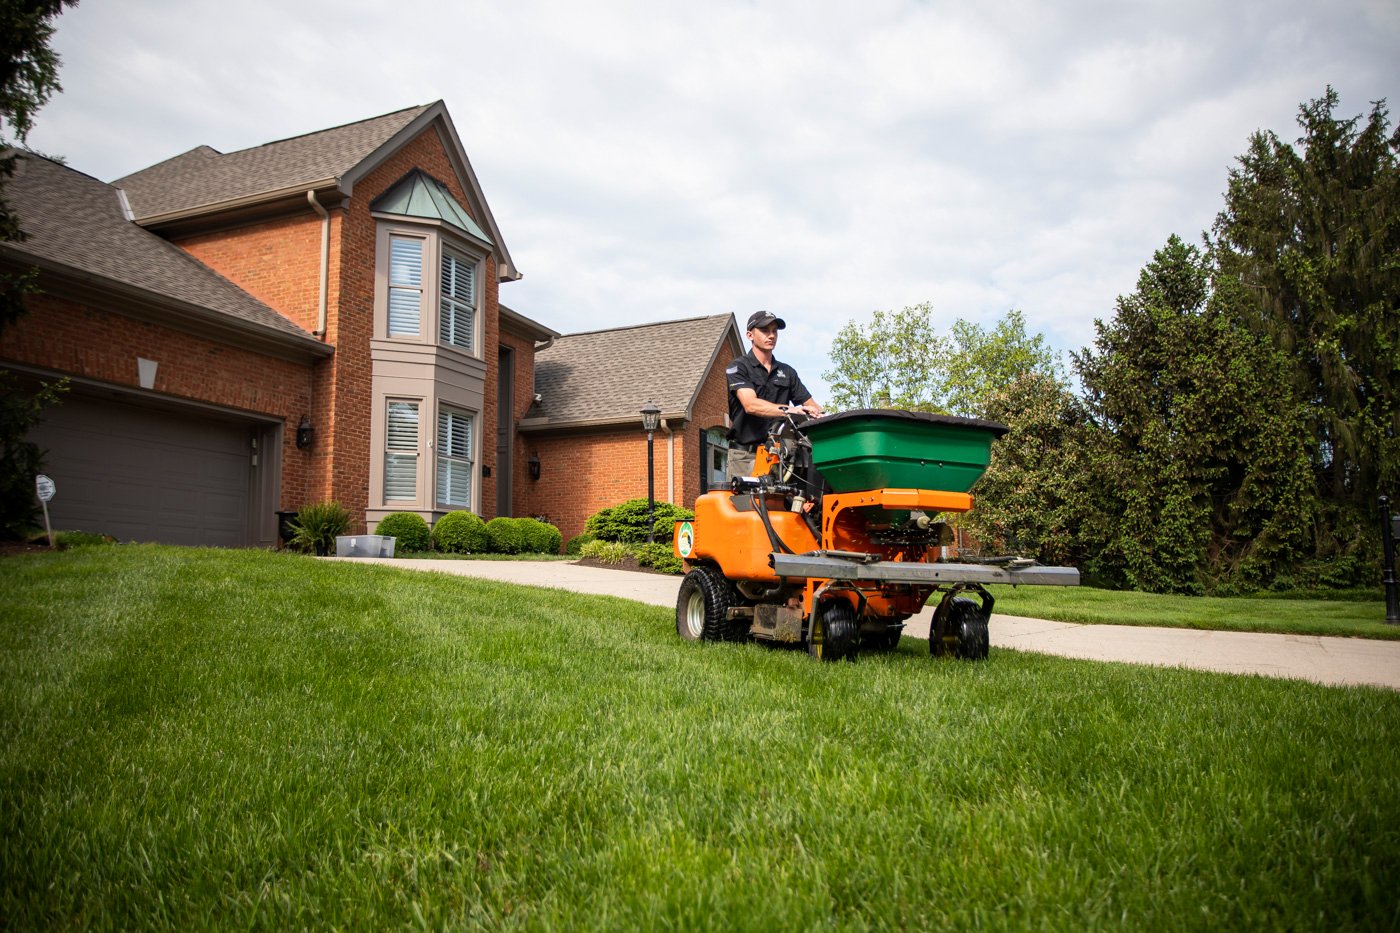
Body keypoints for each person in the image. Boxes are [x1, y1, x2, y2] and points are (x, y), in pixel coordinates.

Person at [725, 310, 824, 480]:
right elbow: (751, 405)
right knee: (746, 505)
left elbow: (812, 406)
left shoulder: (787, 372)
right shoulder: (738, 367)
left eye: (774, 331)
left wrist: (816, 414)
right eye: (765, 330)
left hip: (780, 457)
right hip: (746, 457)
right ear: (750, 335)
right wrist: (790, 411)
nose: (771, 335)